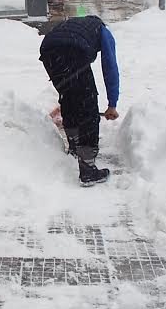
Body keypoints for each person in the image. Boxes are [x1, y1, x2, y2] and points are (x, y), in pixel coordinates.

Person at [40, 15, 120, 186]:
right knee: (87, 107)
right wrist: (112, 104)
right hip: (73, 49)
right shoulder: (102, 31)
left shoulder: (75, 25)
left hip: (48, 50)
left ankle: (75, 146)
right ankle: (88, 169)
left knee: (69, 97)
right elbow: (110, 66)